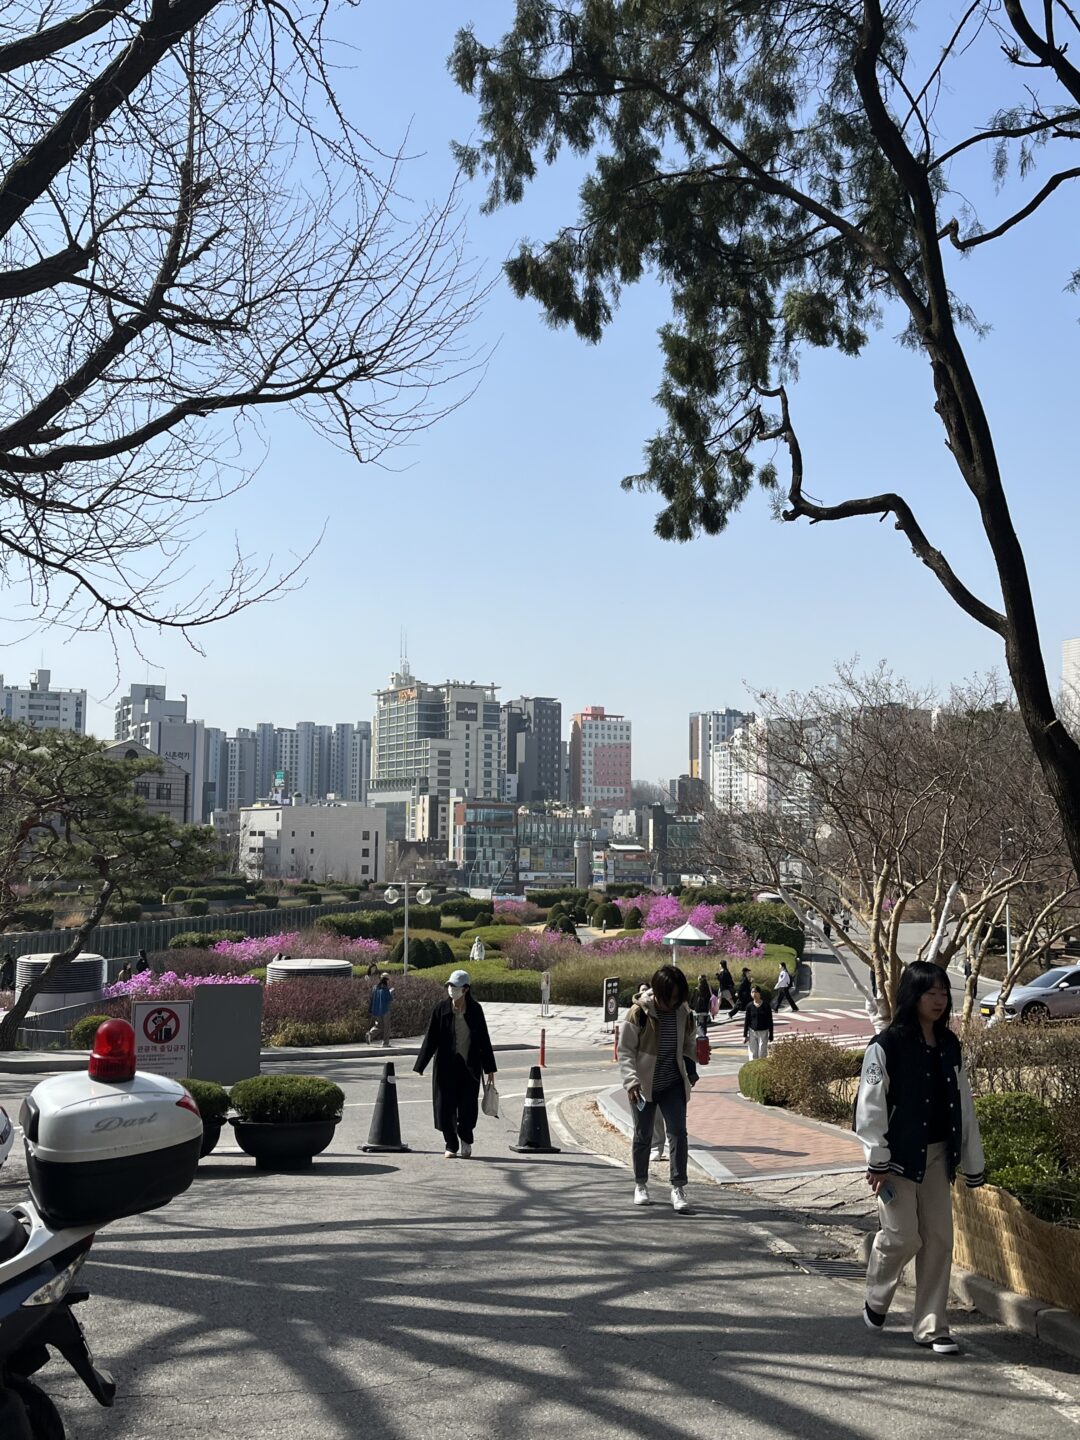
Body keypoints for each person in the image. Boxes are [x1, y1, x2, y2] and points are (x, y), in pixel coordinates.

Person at [855, 960, 985, 1355]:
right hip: (896, 1160)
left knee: (940, 1240)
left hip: (937, 1156)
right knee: (901, 1237)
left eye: (944, 993)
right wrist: (876, 1158)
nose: (939, 1000)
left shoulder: (950, 1045)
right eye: (931, 993)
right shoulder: (886, 1045)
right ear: (913, 996)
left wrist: (973, 1161)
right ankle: (877, 1297)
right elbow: (870, 1107)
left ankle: (932, 1326)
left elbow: (963, 1104)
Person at [619, 964, 699, 1213]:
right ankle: (641, 1184)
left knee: (678, 1134)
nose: (673, 1003)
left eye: (678, 998)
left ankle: (678, 1187)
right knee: (643, 1136)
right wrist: (631, 1081)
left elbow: (688, 1043)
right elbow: (625, 1051)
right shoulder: (638, 1013)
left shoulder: (683, 1012)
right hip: (643, 1086)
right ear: (659, 992)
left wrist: (694, 1062)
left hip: (673, 1083)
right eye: (670, 998)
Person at [414, 968, 497, 1159]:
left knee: (467, 1106)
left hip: (469, 1067)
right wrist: (421, 1064)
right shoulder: (440, 1009)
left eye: (456, 986)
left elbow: (484, 1039)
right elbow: (430, 1039)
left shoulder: (475, 1010)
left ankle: (466, 1139)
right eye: (449, 985)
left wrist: (490, 1068)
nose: (451, 989)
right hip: (445, 1067)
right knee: (445, 1107)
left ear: (466, 989)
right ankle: (451, 1144)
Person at [743, 986, 774, 1060]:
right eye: (752, 992)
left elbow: (770, 1020)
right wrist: (745, 1035)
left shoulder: (766, 1006)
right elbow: (747, 1020)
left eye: (756, 992)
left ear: (760, 994)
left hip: (763, 1031)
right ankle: (752, 1068)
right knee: (753, 1053)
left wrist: (771, 1035)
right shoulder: (749, 1006)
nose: (754, 994)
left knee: (762, 1052)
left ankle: (761, 1068)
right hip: (752, 1031)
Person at [368, 972, 394, 1047]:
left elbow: (372, 998)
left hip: (377, 1010)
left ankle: (370, 1034)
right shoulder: (385, 989)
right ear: (387, 980)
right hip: (385, 1009)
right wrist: (391, 992)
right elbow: (389, 999)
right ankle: (385, 1043)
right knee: (386, 1027)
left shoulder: (375, 988)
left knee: (379, 1025)